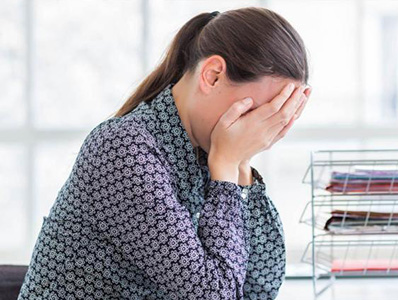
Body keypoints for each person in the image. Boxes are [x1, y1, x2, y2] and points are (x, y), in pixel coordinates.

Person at [17, 6, 311, 300]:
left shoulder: (209, 150)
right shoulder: (124, 149)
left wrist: (242, 164)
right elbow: (214, 295)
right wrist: (227, 166)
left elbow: (258, 290)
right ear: (212, 76)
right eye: (262, 112)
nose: (260, 129)